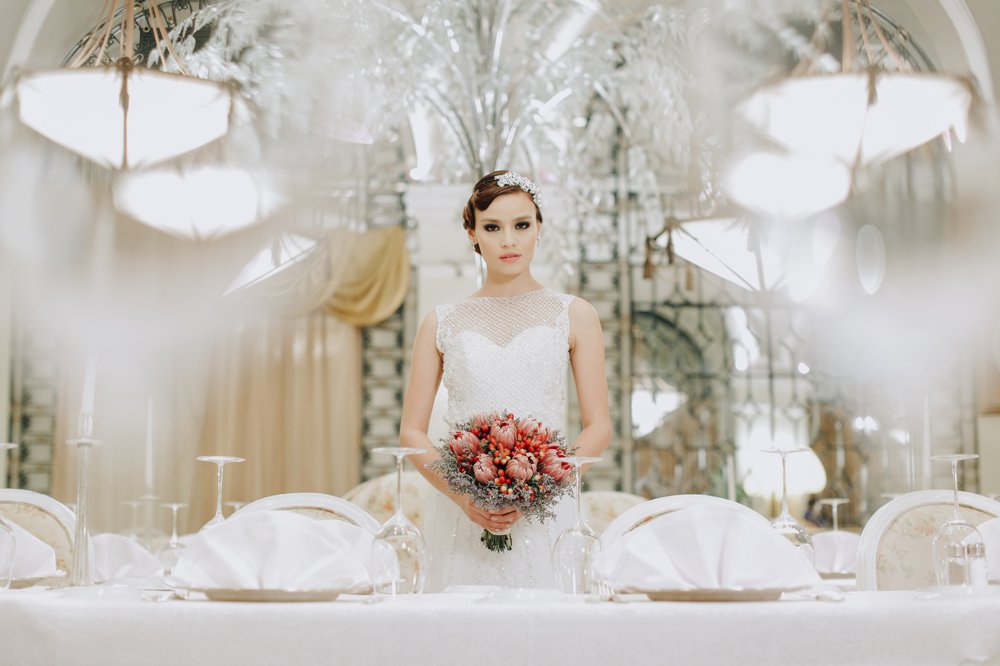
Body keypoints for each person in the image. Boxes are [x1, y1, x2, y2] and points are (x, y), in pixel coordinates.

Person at [400, 170, 611, 591]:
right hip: (461, 512)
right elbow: (411, 431)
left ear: (539, 230)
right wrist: (464, 498)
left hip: (546, 511)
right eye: (493, 228)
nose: (509, 241)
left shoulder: (574, 314)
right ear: (472, 234)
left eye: (521, 225)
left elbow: (599, 427)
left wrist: (538, 487)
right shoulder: (441, 321)